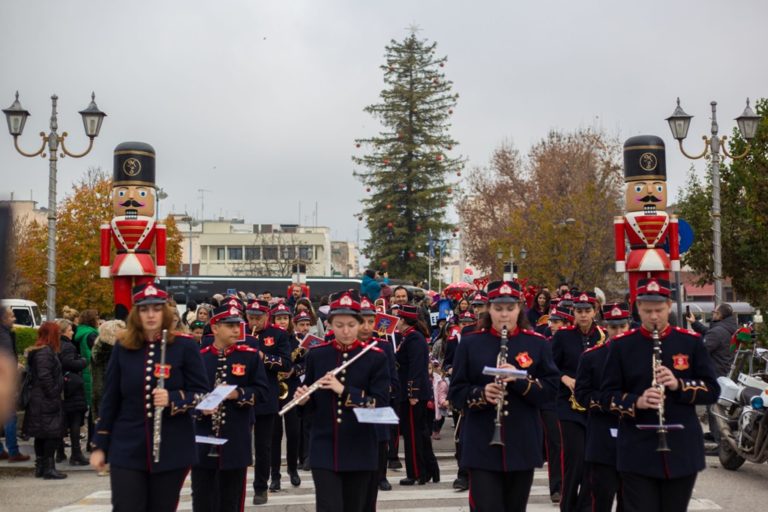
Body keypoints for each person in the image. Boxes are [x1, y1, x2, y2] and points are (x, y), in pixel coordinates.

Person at [601, 278, 720, 512]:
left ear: (668, 306)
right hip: (637, 448)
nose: (653, 317)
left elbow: (712, 390)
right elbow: (606, 396)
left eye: (658, 310)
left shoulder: (691, 342)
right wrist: (638, 401)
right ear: (638, 309)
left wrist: (679, 385)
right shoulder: (622, 346)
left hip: (681, 448)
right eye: (647, 311)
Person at [89, 283, 209, 512]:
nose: (151, 314)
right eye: (145, 309)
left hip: (172, 446)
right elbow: (110, 399)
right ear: (137, 313)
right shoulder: (123, 347)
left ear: (165, 311)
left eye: (156, 308)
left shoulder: (184, 346)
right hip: (128, 445)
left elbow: (202, 394)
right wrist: (100, 444)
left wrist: (174, 398)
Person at [448, 280, 559, 511]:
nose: (504, 315)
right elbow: (456, 393)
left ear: (520, 309)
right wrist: (481, 393)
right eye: (498, 309)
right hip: (481, 441)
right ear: (489, 309)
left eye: (510, 309)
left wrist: (521, 381)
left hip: (522, 442)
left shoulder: (537, 343)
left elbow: (550, 391)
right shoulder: (470, 344)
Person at [293, 291, 390, 512]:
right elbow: (311, 408)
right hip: (324, 446)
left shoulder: (375, 357)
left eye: (350, 325)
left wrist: (344, 390)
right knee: (328, 506)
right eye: (339, 325)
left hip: (361, 446)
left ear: (359, 324)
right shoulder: (317, 355)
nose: (345, 331)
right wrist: (303, 400)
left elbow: (381, 404)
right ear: (329, 326)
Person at [191, 304, 269, 512]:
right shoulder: (200, 357)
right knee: (202, 499)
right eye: (230, 325)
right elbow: (187, 395)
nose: (237, 330)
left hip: (235, 438)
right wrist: (200, 407)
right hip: (204, 438)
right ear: (215, 328)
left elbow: (262, 391)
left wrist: (238, 394)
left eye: (239, 325)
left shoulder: (250, 356)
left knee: (231, 500)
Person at [552, 290, 605, 512]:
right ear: (573, 312)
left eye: (587, 311)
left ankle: (585, 507)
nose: (583, 315)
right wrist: (564, 378)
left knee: (592, 459)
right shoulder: (563, 337)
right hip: (568, 404)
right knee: (575, 458)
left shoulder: (602, 336)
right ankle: (568, 505)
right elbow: (548, 367)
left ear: (595, 311)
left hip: (593, 405)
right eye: (579, 311)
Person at [574, 302, 631, 512]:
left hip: (633, 436)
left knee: (631, 501)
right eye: (613, 327)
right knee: (601, 499)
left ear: (628, 326)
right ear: (605, 326)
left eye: (622, 327)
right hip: (602, 436)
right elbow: (581, 394)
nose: (617, 332)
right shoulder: (591, 357)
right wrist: (611, 402)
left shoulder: (640, 356)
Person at [244, 299, 292, 505]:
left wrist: (263, 356)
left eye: (258, 317)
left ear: (267, 317)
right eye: (250, 317)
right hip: (243, 395)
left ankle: (261, 488)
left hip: (266, 395)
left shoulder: (278, 334)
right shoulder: (239, 331)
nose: (253, 321)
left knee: (263, 446)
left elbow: (286, 363)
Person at [358, 296, 398, 494]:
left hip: (379, 402)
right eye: (362, 321)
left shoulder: (383, 346)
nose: (366, 326)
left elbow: (393, 377)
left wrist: (387, 389)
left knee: (381, 441)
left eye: (370, 322)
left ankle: (381, 476)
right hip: (355, 403)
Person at [394, 304, 434, 486]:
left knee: (413, 434)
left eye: (398, 318)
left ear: (403, 320)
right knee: (416, 433)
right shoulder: (408, 337)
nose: (396, 322)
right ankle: (427, 470)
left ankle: (417, 472)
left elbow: (417, 368)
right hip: (409, 391)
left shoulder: (414, 338)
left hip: (413, 393)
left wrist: (412, 392)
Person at [23, 322, 67, 479]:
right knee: (51, 434)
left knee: (42, 434)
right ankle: (48, 469)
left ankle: (41, 467)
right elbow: (44, 376)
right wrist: (54, 392)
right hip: (45, 400)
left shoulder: (41, 351)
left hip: (40, 399)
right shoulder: (45, 353)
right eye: (57, 333)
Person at [540, 303, 574, 504]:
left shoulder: (577, 340)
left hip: (573, 399)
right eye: (551, 321)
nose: (552, 324)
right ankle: (557, 487)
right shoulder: (546, 342)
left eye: (557, 321)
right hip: (551, 400)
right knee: (555, 443)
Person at [270, 302, 302, 492]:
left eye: (285, 318)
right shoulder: (269, 339)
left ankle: (292, 468)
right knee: (274, 434)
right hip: (274, 389)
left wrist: (294, 370)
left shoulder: (296, 341)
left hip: (291, 389)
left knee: (294, 432)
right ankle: (275, 475)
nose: (282, 321)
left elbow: (306, 363)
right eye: (279, 318)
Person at [90, 319, 125, 475]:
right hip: (107, 392)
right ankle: (106, 461)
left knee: (102, 425)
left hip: (99, 391)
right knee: (107, 426)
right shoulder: (111, 349)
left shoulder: (98, 347)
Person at [56, 319, 89, 466]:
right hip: (72, 388)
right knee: (75, 421)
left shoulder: (56, 345)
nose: (73, 332)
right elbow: (69, 363)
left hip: (62, 387)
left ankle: (60, 452)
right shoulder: (68, 346)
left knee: (63, 421)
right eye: (70, 330)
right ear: (63, 332)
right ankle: (76, 454)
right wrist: (83, 361)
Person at [0, 306, 30, 463]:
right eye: (11, 316)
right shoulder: (4, 335)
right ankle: (13, 451)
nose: (14, 319)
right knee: (10, 415)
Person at [73, 309, 99, 446]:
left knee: (90, 410)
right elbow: (95, 355)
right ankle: (93, 441)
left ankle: (90, 441)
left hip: (85, 372)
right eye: (96, 316)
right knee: (94, 410)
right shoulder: (91, 334)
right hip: (92, 373)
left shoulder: (81, 332)